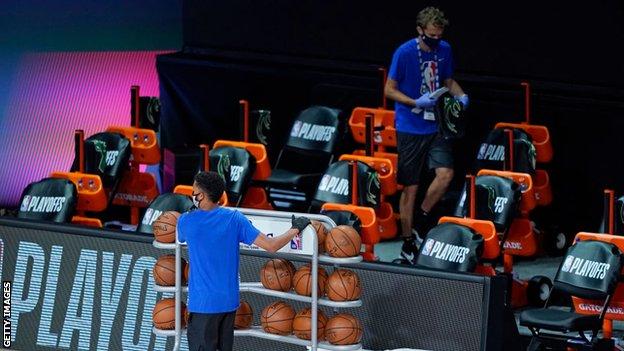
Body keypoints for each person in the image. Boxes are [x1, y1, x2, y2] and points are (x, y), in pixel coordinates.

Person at [177, 171, 311, 351]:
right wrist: (295, 229)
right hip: (228, 303)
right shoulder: (235, 219)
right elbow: (271, 246)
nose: (192, 195)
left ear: (200, 196)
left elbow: (181, 236)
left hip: (202, 305)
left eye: (194, 192)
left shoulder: (186, 221)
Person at [384, 7, 469, 264]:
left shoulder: (445, 49)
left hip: (435, 126)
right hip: (410, 126)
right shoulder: (405, 52)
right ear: (420, 31)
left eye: (439, 35)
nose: (435, 40)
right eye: (431, 35)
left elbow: (447, 80)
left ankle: (421, 219)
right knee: (411, 187)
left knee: (446, 174)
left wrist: (461, 96)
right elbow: (389, 90)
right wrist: (413, 101)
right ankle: (408, 241)